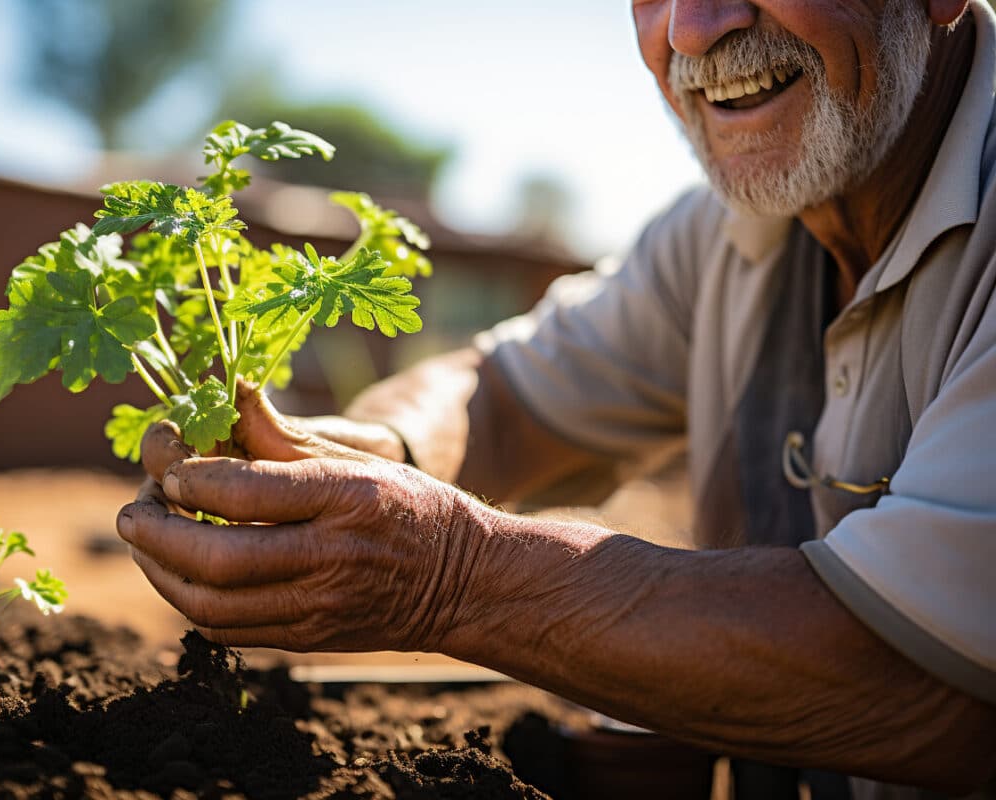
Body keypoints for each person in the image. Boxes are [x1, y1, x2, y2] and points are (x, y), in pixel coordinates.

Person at [116, 0, 996, 796]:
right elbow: (500, 395)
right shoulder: (725, 236)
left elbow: (928, 682)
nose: (690, 29)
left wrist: (448, 574)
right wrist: (369, 451)